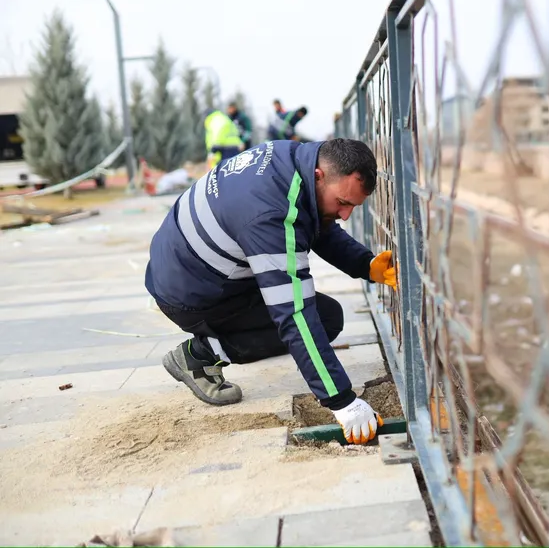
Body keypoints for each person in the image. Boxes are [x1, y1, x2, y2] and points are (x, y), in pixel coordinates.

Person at [144, 138, 397, 445]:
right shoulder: (270, 215)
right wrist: (342, 401)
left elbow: (312, 220)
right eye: (343, 203)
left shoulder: (292, 160)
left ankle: (207, 347)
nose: (346, 215)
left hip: (183, 268)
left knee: (324, 314)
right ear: (319, 175)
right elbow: (294, 314)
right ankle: (200, 355)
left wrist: (365, 265)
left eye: (353, 206)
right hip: (191, 295)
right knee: (320, 319)